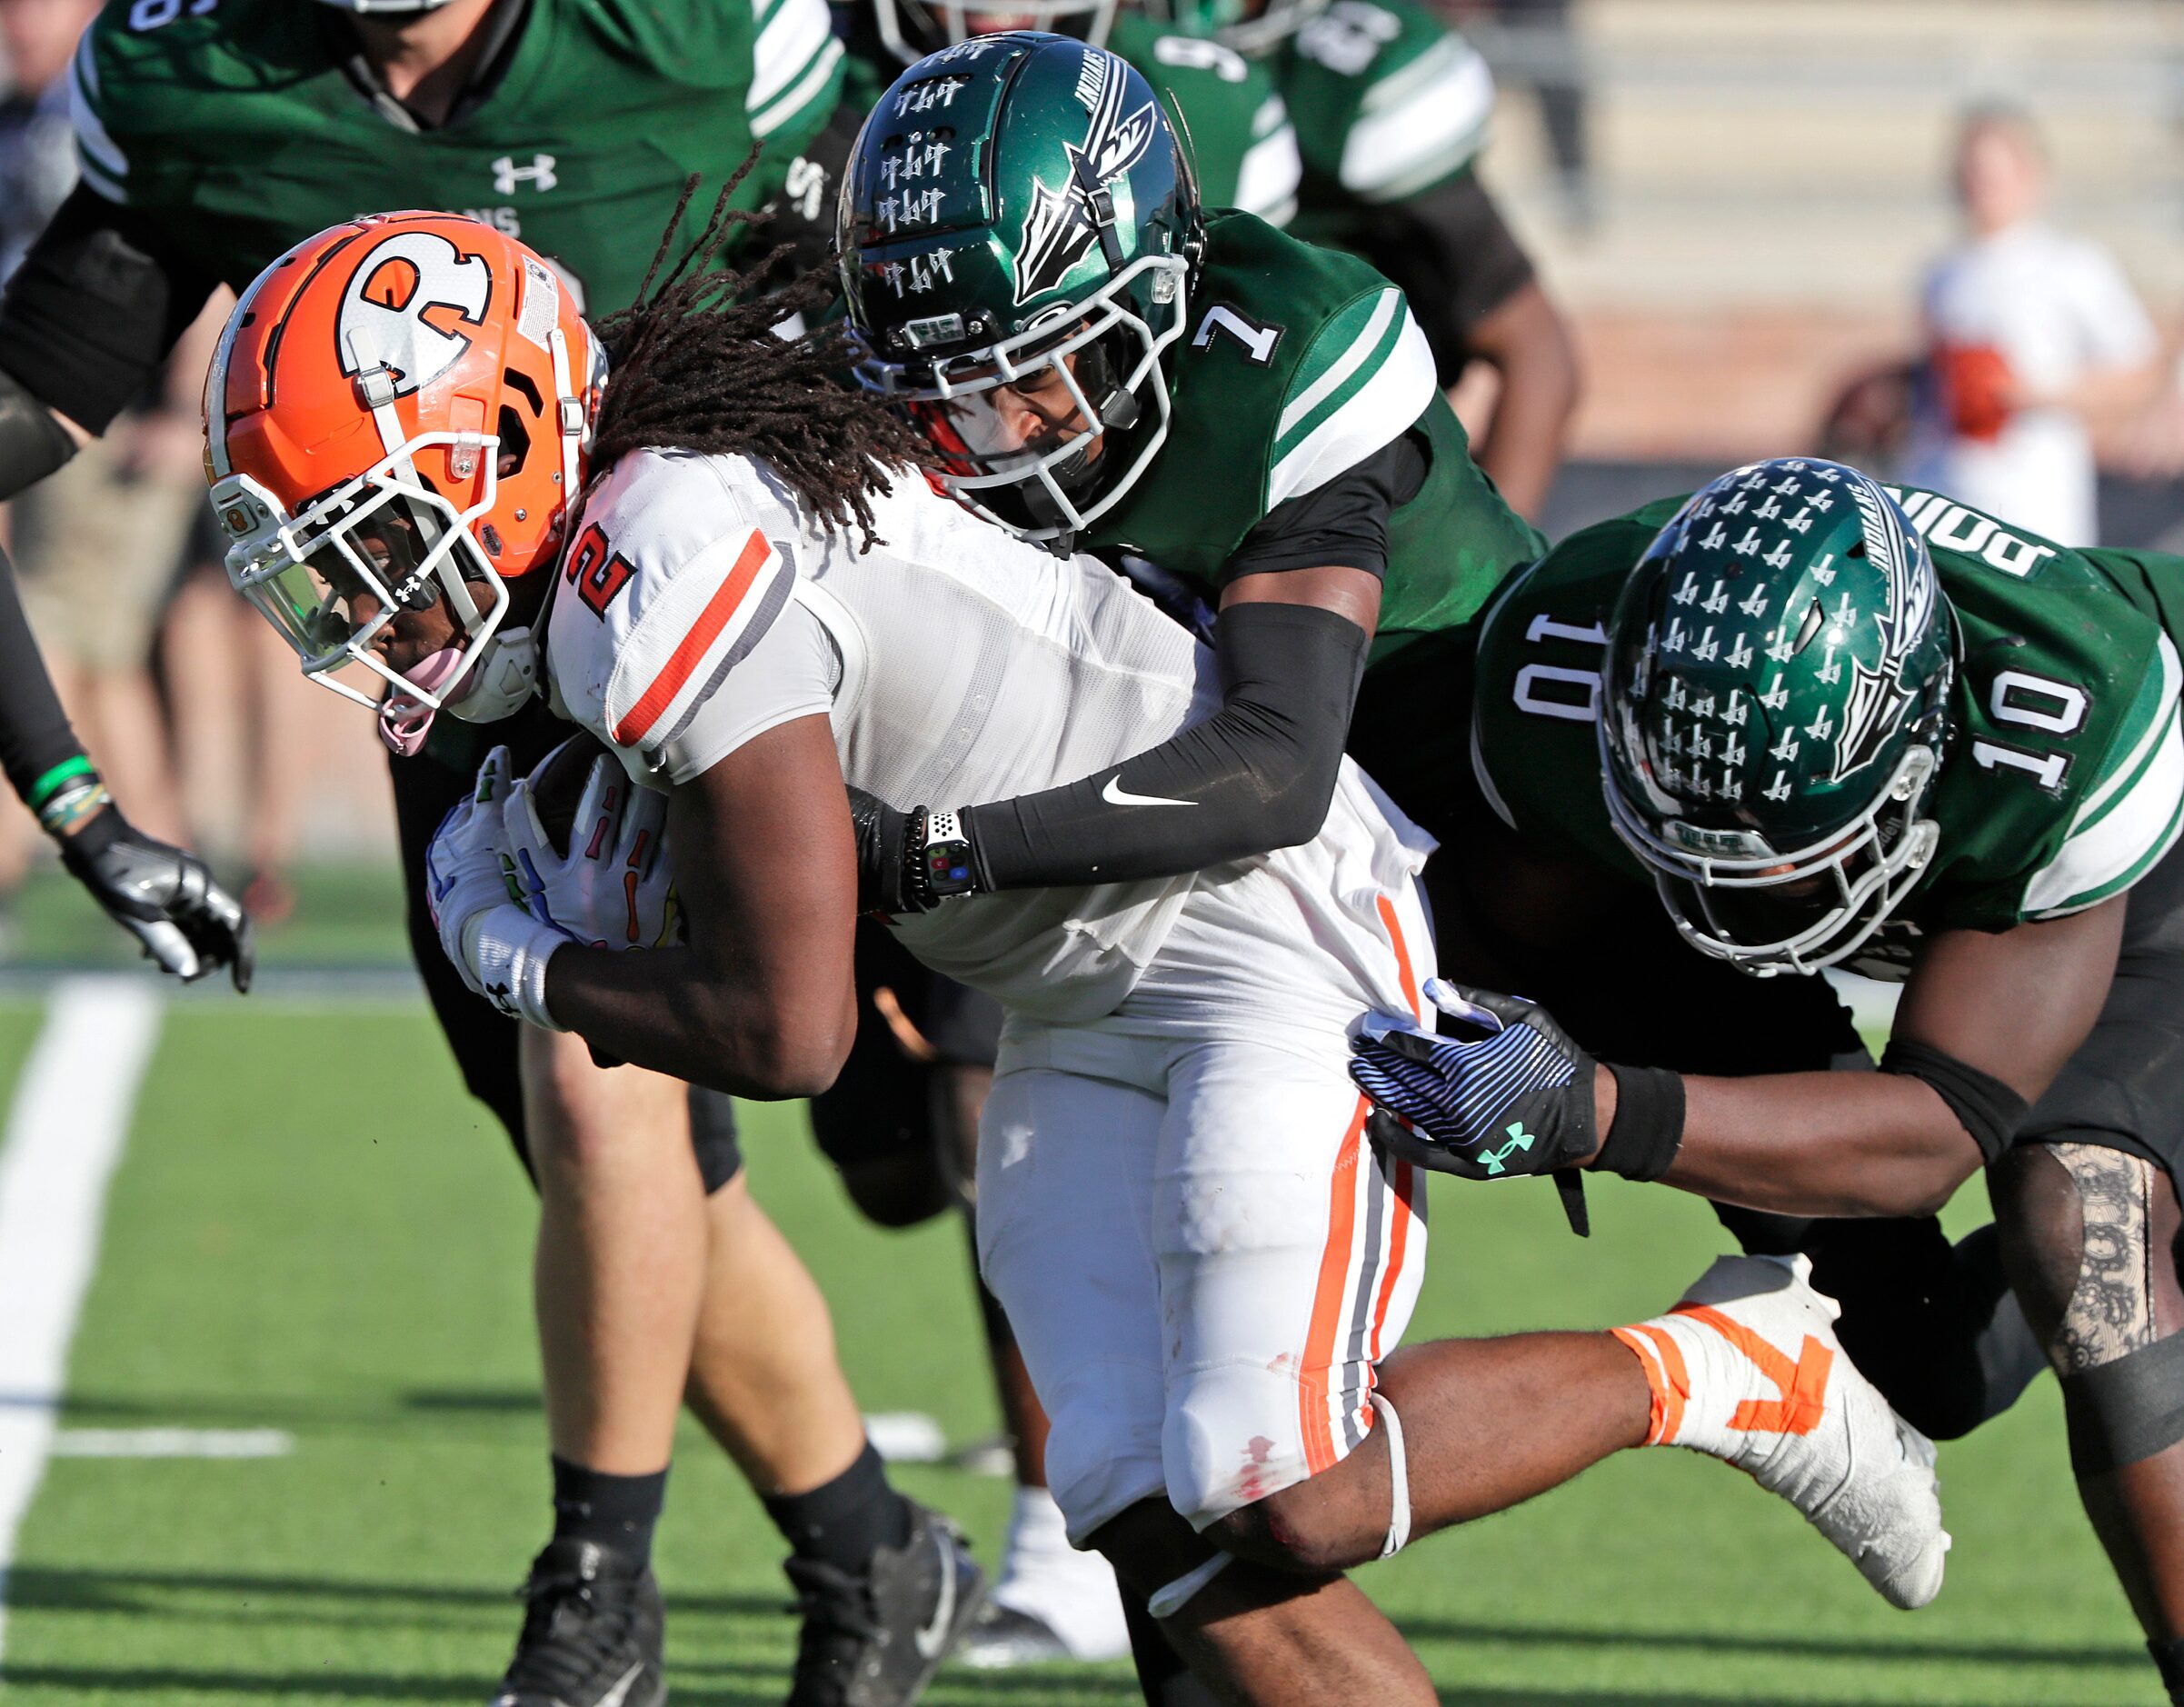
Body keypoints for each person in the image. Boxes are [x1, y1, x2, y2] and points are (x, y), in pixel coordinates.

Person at [264, 199, 1962, 1706]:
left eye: (374, 541)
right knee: (1164, 1541)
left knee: (1279, 1481)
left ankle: (1735, 1365)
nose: (369, 612)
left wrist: (519, 958)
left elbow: (788, 1030)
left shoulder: (651, 561)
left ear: (496, 446)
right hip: (1074, 988)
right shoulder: (634, 551)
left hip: (1255, 939)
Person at [88, 2, 972, 1701]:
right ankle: (867, 1549)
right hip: (469, 652)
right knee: (625, 1170)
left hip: (695, 597)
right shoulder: (198, 63)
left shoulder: (697, 29)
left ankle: (600, 1599)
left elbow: (906, 235)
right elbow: (49, 365)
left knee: (612, 1088)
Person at [1351, 455, 2184, 1707]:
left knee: (2078, 1223)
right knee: (1922, 1365)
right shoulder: (1555, 669)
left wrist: (1594, 1110)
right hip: (1744, 853)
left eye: (1776, 846)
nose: (1735, 887)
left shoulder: (2064, 710)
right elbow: (1477, 918)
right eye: (1690, 833)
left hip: (2139, 876)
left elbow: (1934, 1130)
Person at [832, 0, 1304, 1666]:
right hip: (1013, 688)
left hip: (1261, 767)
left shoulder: (1266, 264)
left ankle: (1074, 1517)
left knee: (1264, 1464)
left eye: (1032, 362)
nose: (1002, 410)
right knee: (899, 1150)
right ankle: (1100, 1511)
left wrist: (909, 859)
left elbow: (1278, 758)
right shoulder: (831, 105)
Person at [1145, 0, 1580, 518]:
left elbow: (1535, 350)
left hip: (1311, 484)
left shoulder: (1341, 84)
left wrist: (1492, 570)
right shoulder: (1104, 50)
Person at [1904, 104, 2159, 548]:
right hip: (1946, 500)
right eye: (1972, 175)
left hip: (2035, 511)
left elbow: (2139, 371)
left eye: (1994, 175)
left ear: (2031, 176)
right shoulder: (1941, 274)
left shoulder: (2071, 265)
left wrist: (2032, 395)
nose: (1981, 189)